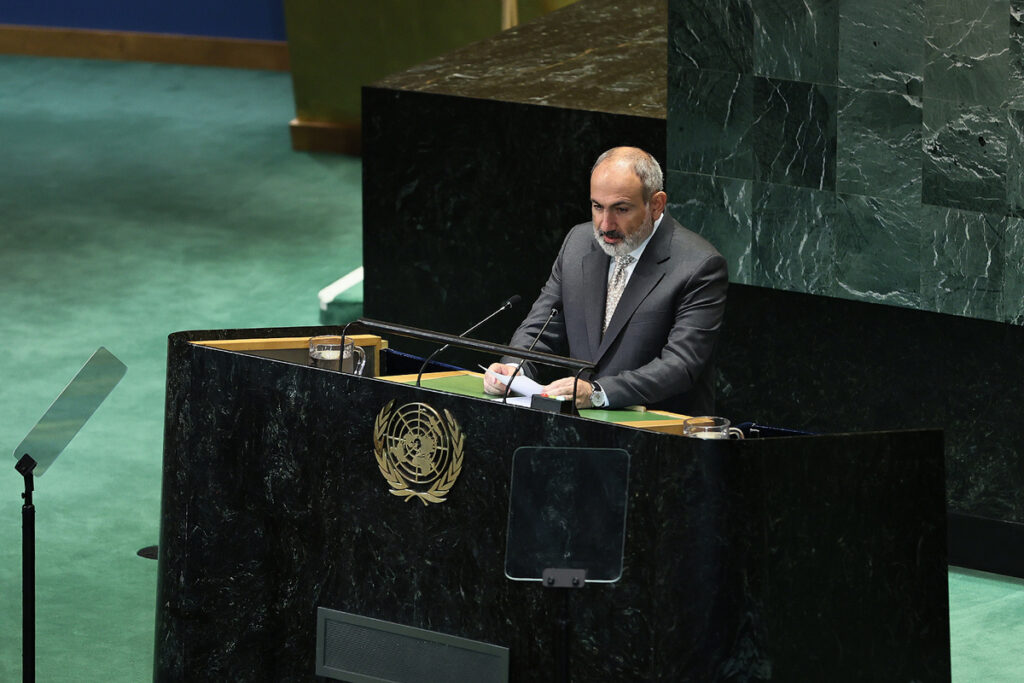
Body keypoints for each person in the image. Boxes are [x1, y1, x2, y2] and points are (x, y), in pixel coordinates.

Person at [483, 146, 727, 415]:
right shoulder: (578, 243)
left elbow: (680, 364)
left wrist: (599, 393)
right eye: (597, 207)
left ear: (656, 204)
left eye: (621, 209)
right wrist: (514, 368)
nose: (605, 224)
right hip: (578, 428)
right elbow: (541, 326)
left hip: (657, 430)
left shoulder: (698, 265)